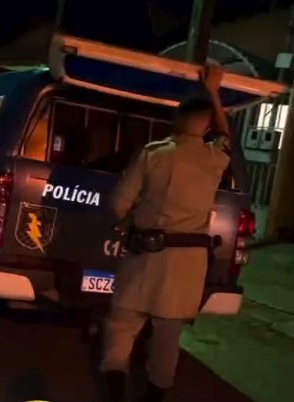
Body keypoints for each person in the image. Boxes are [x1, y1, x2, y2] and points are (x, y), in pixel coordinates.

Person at [100, 64, 231, 402]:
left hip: (145, 257)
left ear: (177, 119)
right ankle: (155, 396)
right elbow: (226, 134)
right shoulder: (214, 160)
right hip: (187, 266)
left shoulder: (154, 154)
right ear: (206, 126)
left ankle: (115, 389)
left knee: (121, 326)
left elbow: (118, 204)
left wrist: (129, 223)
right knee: (167, 337)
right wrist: (213, 91)